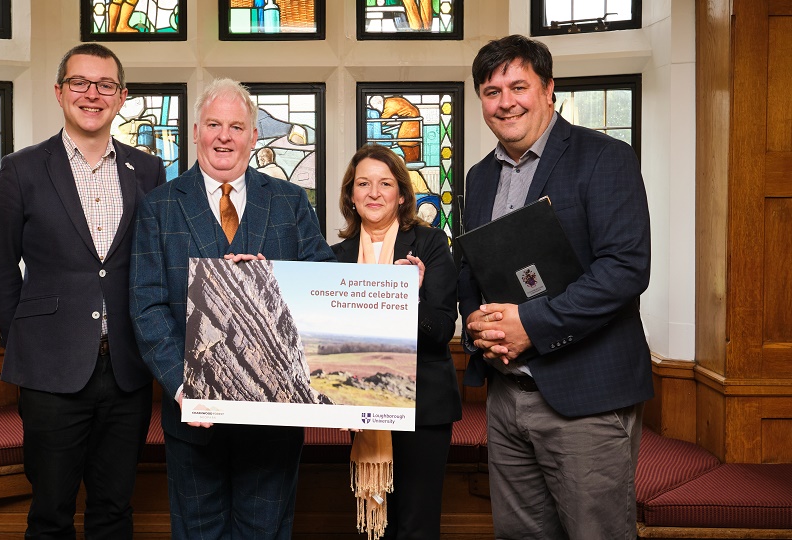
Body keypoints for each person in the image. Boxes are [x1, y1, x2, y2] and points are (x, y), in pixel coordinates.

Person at [458, 35, 652, 540]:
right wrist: (476, 321)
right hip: (506, 398)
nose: (506, 102)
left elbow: (625, 269)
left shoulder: (604, 158)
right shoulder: (478, 178)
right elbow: (473, 270)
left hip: (585, 399)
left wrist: (530, 324)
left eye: (518, 86)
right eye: (491, 91)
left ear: (548, 90)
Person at [0, 43, 165, 538]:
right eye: (80, 82)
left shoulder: (147, 170)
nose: (92, 94)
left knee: (114, 508)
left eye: (105, 85)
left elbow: (159, 258)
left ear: (121, 97)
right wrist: (23, 331)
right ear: (59, 92)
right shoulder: (23, 169)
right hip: (49, 369)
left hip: (127, 370)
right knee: (51, 512)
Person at [129, 77, 334, 540]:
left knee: (266, 533)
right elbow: (146, 307)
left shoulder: (290, 202)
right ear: (197, 129)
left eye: (237, 126)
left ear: (254, 136)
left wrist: (274, 281)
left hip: (273, 420)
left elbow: (321, 287)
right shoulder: (158, 207)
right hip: (193, 416)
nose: (225, 136)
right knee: (198, 533)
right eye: (214, 124)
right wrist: (183, 386)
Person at [331, 144, 462, 540]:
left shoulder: (431, 244)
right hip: (361, 404)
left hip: (424, 406)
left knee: (416, 525)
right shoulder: (333, 257)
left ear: (402, 194)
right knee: (376, 530)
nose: (374, 192)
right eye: (363, 184)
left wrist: (409, 294)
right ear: (351, 196)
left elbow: (441, 330)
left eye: (385, 183)